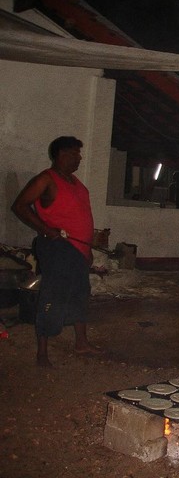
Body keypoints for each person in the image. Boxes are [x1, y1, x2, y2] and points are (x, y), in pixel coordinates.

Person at [11, 136, 100, 367]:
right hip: (58, 248)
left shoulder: (76, 183)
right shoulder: (46, 179)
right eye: (75, 153)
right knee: (53, 296)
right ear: (61, 154)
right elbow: (19, 205)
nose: (79, 158)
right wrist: (45, 229)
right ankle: (42, 353)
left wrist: (87, 248)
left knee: (80, 294)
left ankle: (81, 342)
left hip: (79, 249)